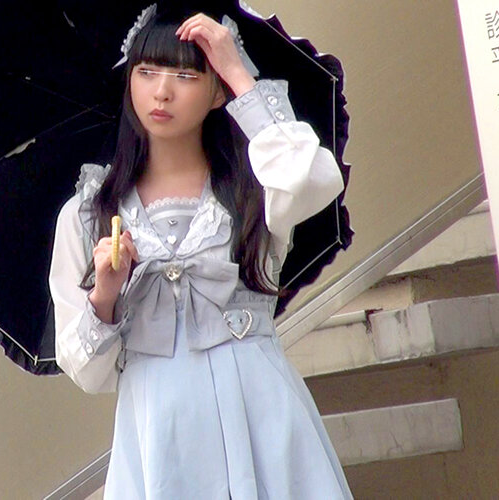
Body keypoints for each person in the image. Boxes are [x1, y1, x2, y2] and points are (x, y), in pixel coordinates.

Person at [50, 6, 353, 499]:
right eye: (147, 72)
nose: (161, 92)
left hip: (261, 414)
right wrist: (104, 294)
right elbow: (86, 371)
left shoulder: (257, 187)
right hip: (158, 430)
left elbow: (312, 178)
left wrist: (237, 72)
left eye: (186, 76)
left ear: (217, 93)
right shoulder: (90, 213)